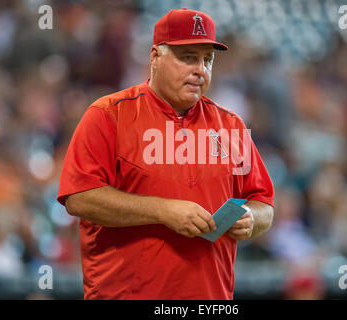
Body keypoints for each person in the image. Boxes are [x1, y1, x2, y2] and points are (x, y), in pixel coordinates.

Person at [57, 8, 274, 300]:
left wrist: (249, 217)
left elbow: (264, 204)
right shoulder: (108, 115)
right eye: (188, 58)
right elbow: (79, 197)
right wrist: (163, 211)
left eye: (207, 60)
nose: (200, 70)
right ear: (155, 57)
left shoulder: (230, 126)